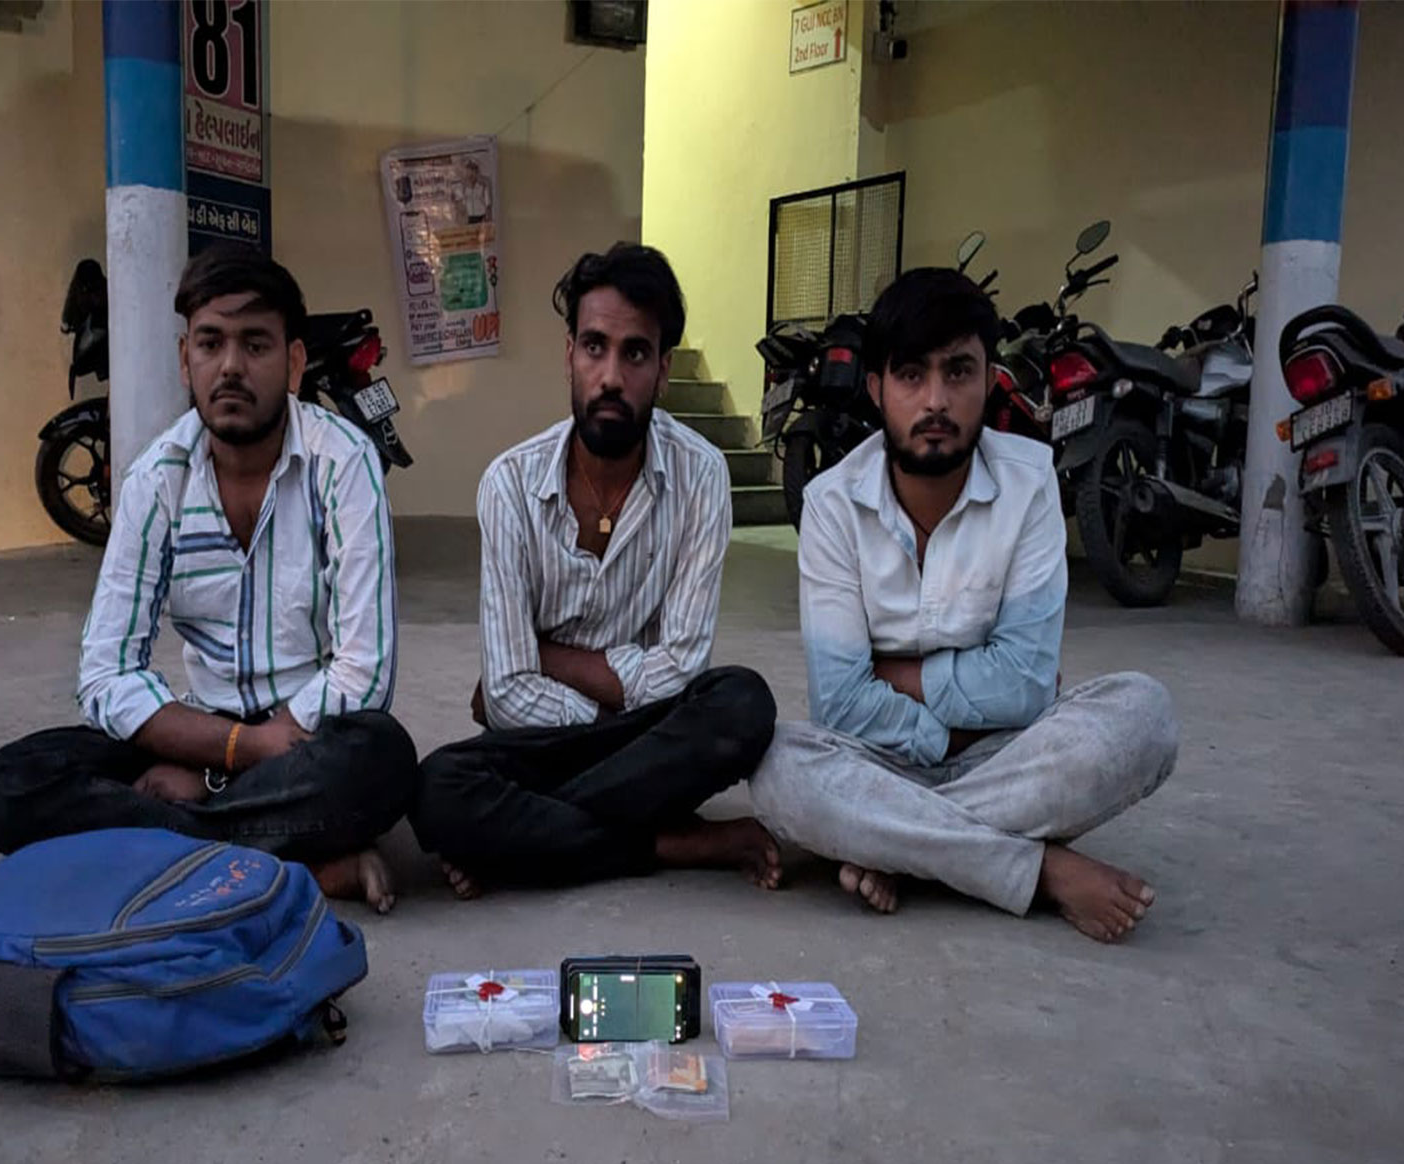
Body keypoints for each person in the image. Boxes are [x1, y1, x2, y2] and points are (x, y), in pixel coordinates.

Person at [0, 245, 416, 912]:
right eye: (211, 343)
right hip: (203, 731)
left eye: (255, 344)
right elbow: (106, 673)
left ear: (294, 363)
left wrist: (230, 762)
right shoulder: (158, 479)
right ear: (187, 360)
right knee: (8, 785)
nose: (231, 366)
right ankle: (290, 865)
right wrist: (230, 746)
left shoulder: (342, 463)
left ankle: (173, 853)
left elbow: (364, 670)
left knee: (380, 759)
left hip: (306, 746)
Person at [750, 268, 1180, 943]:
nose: (936, 400)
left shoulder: (1030, 482)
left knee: (1143, 715)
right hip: (879, 758)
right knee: (779, 766)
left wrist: (891, 673)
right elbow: (838, 702)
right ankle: (1036, 870)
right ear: (876, 389)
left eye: (958, 372)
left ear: (988, 381)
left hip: (1003, 754)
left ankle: (903, 849)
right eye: (911, 375)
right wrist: (950, 720)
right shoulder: (832, 504)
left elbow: (1027, 682)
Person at [409, 243, 780, 897]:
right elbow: (506, 693)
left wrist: (546, 655)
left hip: (644, 732)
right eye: (594, 347)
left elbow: (682, 671)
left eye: (634, 353)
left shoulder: (701, 477)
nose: (610, 375)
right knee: (438, 790)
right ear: (569, 356)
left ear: (664, 370)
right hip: (587, 741)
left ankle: (528, 842)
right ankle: (671, 842)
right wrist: (610, 720)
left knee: (741, 704)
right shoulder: (511, 486)